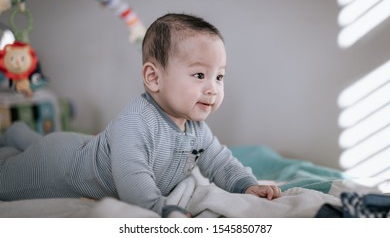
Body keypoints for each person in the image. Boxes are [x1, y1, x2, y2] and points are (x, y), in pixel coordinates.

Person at [0, 13, 281, 216]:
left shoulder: (196, 129)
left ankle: (18, 134)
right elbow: (133, 180)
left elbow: (220, 162)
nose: (213, 89)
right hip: (60, 165)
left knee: (35, 142)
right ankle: (14, 136)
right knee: (9, 176)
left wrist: (245, 186)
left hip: (76, 143)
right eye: (199, 75)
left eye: (219, 77)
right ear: (153, 77)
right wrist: (160, 211)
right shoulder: (136, 123)